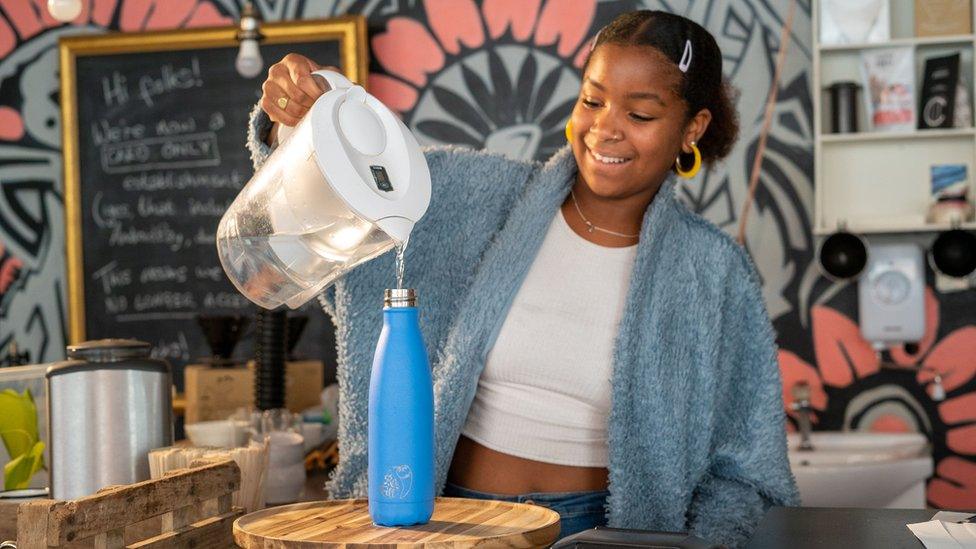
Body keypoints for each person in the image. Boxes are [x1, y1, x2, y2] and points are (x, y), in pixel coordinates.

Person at [247, 10, 798, 547]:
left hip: (603, 532)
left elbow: (746, 470)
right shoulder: (471, 198)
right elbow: (342, 197)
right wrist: (297, 122)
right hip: (445, 520)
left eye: (642, 115)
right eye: (593, 100)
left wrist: (697, 543)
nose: (605, 129)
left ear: (691, 129)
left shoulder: (714, 275)